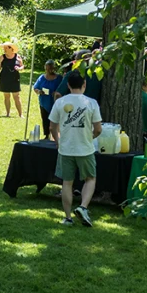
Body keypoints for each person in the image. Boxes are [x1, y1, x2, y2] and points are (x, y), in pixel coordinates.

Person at [49, 71, 102, 227]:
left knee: (67, 183)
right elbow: (98, 129)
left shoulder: (60, 102)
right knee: (90, 178)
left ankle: (68, 217)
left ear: (68, 85)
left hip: (65, 148)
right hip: (85, 148)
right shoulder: (91, 103)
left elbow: (52, 126)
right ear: (84, 84)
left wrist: (57, 140)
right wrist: (90, 137)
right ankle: (83, 206)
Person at [0, 40, 23, 117]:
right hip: (4, 78)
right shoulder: (2, 57)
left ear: (11, 48)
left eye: (6, 48)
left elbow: (22, 66)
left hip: (15, 78)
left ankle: (20, 114)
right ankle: (8, 113)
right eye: (4, 48)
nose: (4, 50)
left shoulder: (17, 56)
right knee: (6, 96)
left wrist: (19, 69)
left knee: (16, 96)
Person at [33, 59, 62, 141]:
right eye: (48, 68)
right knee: (45, 119)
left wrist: (57, 93)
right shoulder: (42, 77)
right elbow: (35, 88)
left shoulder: (59, 78)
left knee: (55, 120)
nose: (50, 70)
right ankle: (46, 135)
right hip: (44, 102)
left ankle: (55, 136)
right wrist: (39, 91)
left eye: (51, 68)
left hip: (55, 102)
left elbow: (63, 88)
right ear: (45, 68)